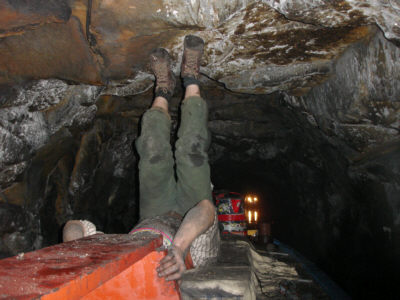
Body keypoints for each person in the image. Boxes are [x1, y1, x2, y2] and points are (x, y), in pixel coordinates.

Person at [63, 35, 220, 281]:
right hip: (191, 212)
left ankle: (163, 89)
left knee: (151, 149)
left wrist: (77, 254)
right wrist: (177, 248)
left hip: (153, 213)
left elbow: (75, 226)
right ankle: (191, 79)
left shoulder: (117, 267)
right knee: (191, 150)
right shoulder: (192, 263)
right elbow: (206, 210)